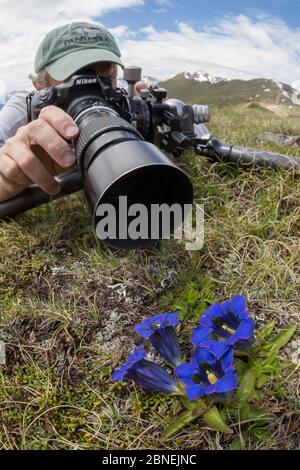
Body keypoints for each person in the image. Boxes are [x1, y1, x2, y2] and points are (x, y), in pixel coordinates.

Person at [0, 21, 124, 202]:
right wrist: (5, 181)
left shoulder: (122, 99)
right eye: (71, 77)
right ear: (39, 87)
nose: (93, 87)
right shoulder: (24, 109)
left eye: (104, 74)